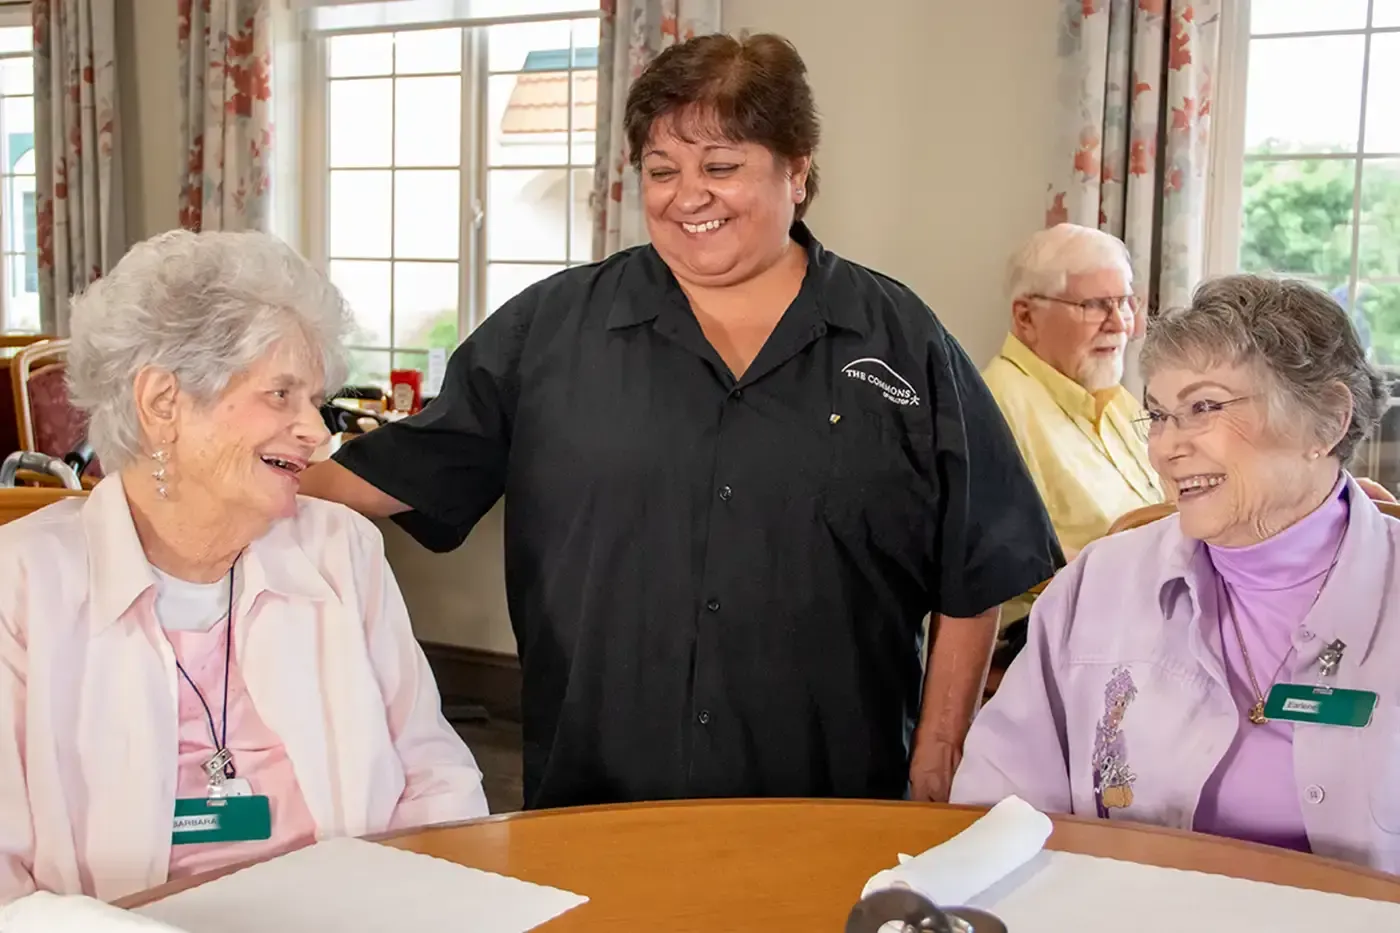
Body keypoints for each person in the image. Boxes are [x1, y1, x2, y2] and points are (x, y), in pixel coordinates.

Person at [298, 33, 1062, 810]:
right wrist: (231, 475)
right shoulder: (553, 328)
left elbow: (979, 556)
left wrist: (938, 755)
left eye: (721, 167)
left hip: (832, 798)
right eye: (662, 171)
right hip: (598, 793)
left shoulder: (901, 338)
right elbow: (403, 468)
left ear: (797, 169)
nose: (686, 195)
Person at [0, 230, 488, 906]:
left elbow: (436, 778)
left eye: (315, 399)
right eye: (282, 394)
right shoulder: (21, 584)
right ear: (163, 403)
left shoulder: (341, 550)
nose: (318, 432)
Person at [951, 274, 1400, 872]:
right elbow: (1000, 802)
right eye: (1159, 415)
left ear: (1327, 421)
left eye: (1203, 408)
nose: (1164, 448)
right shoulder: (1099, 583)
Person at [981, 225, 1163, 636]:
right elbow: (1006, 556)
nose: (1121, 324)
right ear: (1025, 316)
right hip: (1063, 638)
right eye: (1096, 305)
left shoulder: (1114, 399)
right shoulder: (993, 408)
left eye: (1125, 303)